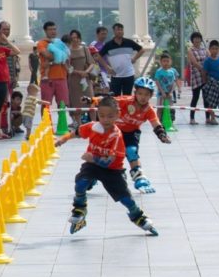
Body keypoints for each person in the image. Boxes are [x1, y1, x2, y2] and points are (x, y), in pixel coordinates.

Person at [54, 95, 158, 236]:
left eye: (110, 116)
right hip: (92, 166)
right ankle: (80, 209)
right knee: (80, 183)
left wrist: (93, 157)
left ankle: (138, 216)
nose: (105, 120)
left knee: (126, 199)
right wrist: (62, 140)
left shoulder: (115, 135)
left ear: (117, 115)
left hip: (112, 171)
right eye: (102, 116)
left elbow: (108, 161)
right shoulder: (92, 127)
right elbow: (77, 133)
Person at [110, 76, 173, 193]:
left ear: (151, 95)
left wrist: (162, 135)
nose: (143, 97)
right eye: (140, 94)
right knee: (108, 156)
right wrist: (92, 100)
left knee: (131, 151)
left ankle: (139, 177)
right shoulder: (126, 101)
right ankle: (94, 174)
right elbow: (108, 101)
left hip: (132, 133)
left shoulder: (149, 110)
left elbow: (156, 123)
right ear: (135, 93)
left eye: (146, 94)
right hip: (116, 131)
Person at [99, 23, 145, 96]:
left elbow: (142, 50)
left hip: (129, 75)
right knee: (115, 98)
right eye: (118, 30)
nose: (120, 31)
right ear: (114, 31)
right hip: (116, 76)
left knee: (127, 98)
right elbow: (99, 56)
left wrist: (134, 58)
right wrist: (107, 67)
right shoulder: (108, 45)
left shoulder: (129, 42)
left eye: (121, 30)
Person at [36, 20, 71, 110]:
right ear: (45, 31)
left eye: (54, 29)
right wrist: (60, 54)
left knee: (63, 105)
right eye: (50, 29)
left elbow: (67, 56)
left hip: (62, 77)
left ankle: (61, 124)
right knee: (45, 105)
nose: (53, 31)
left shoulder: (60, 42)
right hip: (47, 79)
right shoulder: (41, 43)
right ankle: (46, 124)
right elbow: (48, 56)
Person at [66, 30, 96, 128]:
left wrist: (86, 72)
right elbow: (67, 67)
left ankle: (94, 123)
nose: (75, 40)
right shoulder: (67, 51)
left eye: (76, 37)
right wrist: (78, 72)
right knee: (76, 102)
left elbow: (92, 63)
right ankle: (79, 126)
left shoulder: (84, 49)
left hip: (86, 80)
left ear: (79, 38)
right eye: (73, 38)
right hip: (74, 80)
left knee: (90, 101)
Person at [201, 40, 219, 125]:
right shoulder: (207, 61)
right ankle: (212, 118)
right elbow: (204, 72)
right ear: (209, 49)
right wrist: (205, 82)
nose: (215, 50)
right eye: (213, 49)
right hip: (211, 83)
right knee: (211, 102)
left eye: (216, 49)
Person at [152, 53, 181, 123]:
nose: (166, 63)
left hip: (169, 94)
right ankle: (158, 122)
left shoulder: (171, 72)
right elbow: (157, 82)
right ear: (161, 62)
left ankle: (170, 121)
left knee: (171, 107)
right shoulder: (159, 72)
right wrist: (162, 92)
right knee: (160, 108)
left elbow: (173, 82)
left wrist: (171, 92)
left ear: (170, 62)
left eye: (167, 61)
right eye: (164, 61)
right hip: (161, 94)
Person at [186, 31, 208, 124]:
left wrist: (206, 71)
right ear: (192, 40)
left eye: (198, 38)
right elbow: (194, 63)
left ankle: (208, 118)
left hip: (206, 76)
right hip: (196, 76)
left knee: (206, 97)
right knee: (195, 97)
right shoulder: (190, 50)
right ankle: (192, 118)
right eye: (195, 38)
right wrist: (203, 70)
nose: (197, 40)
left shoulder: (205, 49)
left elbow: (209, 59)